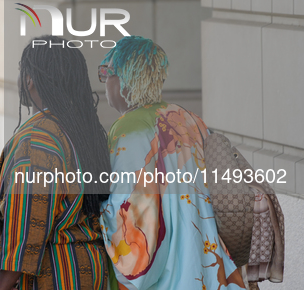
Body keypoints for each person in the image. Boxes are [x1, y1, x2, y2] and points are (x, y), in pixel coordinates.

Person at [98, 36, 245, 289]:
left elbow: (133, 209)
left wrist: (95, 213)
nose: (104, 82)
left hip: (169, 274)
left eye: (106, 72)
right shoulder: (189, 118)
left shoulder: (128, 128)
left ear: (124, 77)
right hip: (206, 260)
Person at [0, 35, 111, 290]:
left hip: (54, 277)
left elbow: (27, 234)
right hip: (90, 272)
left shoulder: (36, 140)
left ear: (31, 79)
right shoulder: (80, 130)